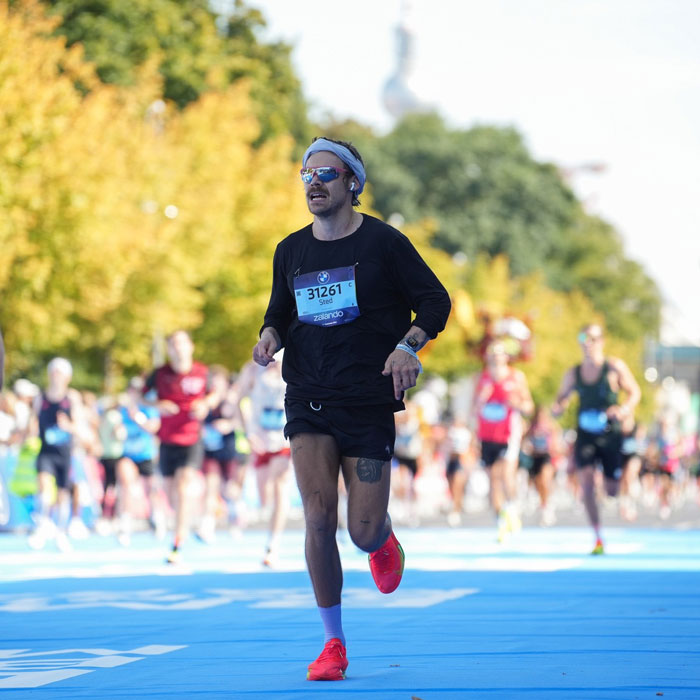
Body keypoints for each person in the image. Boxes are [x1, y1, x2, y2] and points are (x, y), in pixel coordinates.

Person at [252, 136, 451, 681]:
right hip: (308, 396)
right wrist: (269, 337)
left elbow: (436, 301)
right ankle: (333, 644)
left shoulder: (385, 243)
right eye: (306, 175)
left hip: (366, 399)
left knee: (359, 531)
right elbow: (278, 312)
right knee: (317, 518)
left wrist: (406, 346)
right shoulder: (290, 250)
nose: (314, 184)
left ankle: (382, 538)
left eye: (326, 175)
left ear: (353, 184)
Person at [551, 323, 641, 554]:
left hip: (610, 434)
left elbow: (634, 392)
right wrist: (558, 407)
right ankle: (598, 535)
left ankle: (614, 491)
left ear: (601, 341)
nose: (587, 343)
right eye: (583, 338)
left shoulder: (613, 367)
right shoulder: (574, 372)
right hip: (585, 435)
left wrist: (623, 409)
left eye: (591, 338)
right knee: (587, 484)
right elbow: (561, 397)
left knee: (611, 490)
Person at [144, 329, 219, 564]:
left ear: (190, 346)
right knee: (171, 492)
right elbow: (138, 396)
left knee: (184, 483)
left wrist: (205, 403)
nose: (177, 348)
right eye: (173, 345)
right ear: (168, 350)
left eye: (181, 343)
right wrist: (158, 404)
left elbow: (215, 394)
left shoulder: (201, 372)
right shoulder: (159, 374)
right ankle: (191, 521)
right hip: (167, 440)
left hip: (191, 438)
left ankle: (178, 540)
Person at [471, 340, 534, 542]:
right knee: (492, 480)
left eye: (501, 353)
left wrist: (516, 403)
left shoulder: (516, 377)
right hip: (487, 435)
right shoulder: (482, 379)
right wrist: (481, 399)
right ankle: (500, 521)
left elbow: (529, 407)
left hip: (509, 434)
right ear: (488, 357)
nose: (497, 357)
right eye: (493, 353)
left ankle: (512, 508)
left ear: (507, 357)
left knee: (505, 474)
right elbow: (473, 409)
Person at [237, 354, 292, 566]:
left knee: (280, 484)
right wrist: (247, 433)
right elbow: (238, 400)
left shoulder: (294, 365)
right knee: (264, 498)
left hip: (284, 439)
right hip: (260, 439)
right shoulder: (252, 369)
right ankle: (269, 530)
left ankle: (273, 544)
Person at [28, 357, 80, 551]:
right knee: (43, 482)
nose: (56, 377)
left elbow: (80, 427)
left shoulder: (72, 398)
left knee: (62, 494)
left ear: (67, 377)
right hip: (46, 451)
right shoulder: (40, 398)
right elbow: (32, 422)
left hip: (64, 453)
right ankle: (43, 523)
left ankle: (61, 531)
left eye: (60, 373)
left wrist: (68, 426)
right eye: (53, 372)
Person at [115, 377, 162, 544]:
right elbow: (119, 428)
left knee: (151, 490)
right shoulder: (123, 410)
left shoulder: (148, 408)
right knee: (125, 484)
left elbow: (154, 428)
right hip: (128, 454)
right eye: (132, 390)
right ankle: (125, 524)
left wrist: (138, 418)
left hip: (146, 454)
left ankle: (156, 518)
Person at [520, 405, 561, 526]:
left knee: (544, 480)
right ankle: (544, 505)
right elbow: (523, 438)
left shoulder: (551, 426)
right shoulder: (532, 426)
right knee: (538, 483)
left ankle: (548, 507)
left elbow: (556, 440)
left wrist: (555, 448)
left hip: (546, 456)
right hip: (535, 457)